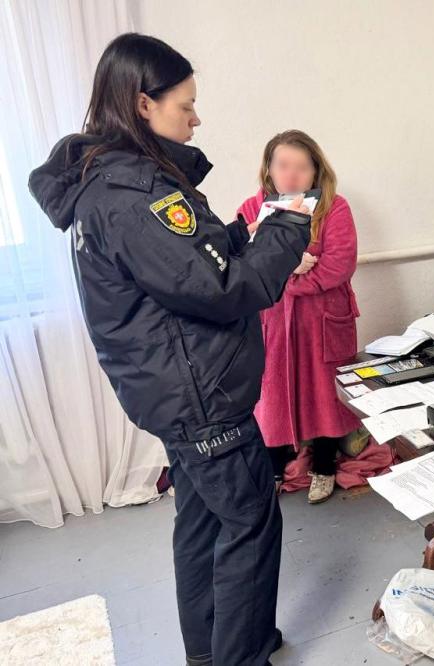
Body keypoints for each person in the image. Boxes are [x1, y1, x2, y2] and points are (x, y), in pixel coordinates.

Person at [28, 33, 310, 666]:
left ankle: (212, 651)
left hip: (173, 389)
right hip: (201, 395)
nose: (195, 118)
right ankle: (239, 656)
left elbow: (183, 265)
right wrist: (291, 227)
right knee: (248, 523)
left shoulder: (114, 182)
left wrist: (244, 230)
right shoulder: (135, 196)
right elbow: (222, 289)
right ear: (143, 104)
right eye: (186, 105)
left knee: (204, 520)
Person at [236, 130, 364, 504]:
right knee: (271, 392)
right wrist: (293, 267)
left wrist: (285, 278)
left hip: (323, 320)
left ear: (316, 171)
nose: (291, 175)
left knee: (325, 393)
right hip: (272, 321)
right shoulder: (251, 208)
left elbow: (339, 265)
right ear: (269, 169)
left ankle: (324, 466)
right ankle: (275, 467)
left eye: (301, 167)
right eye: (283, 165)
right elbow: (243, 261)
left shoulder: (334, 208)